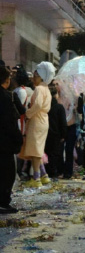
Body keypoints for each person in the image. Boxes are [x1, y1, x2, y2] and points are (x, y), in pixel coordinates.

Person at [22, 62, 55, 188]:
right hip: (43, 119)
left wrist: (28, 114)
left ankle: (36, 178)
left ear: (41, 77)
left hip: (37, 120)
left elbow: (37, 105)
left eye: (35, 76)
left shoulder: (39, 89)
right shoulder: (46, 89)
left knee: (35, 150)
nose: (33, 78)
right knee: (38, 148)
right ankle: (43, 174)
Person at [0, 66, 23, 213]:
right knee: (7, 173)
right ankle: (3, 202)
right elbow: (10, 122)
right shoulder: (7, 97)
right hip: (5, 143)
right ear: (7, 80)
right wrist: (18, 139)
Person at [44, 83, 67, 180]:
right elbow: (63, 122)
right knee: (55, 154)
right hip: (56, 135)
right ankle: (53, 173)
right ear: (55, 95)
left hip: (45, 133)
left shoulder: (44, 107)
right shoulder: (59, 107)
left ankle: (46, 173)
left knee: (46, 153)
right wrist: (64, 135)